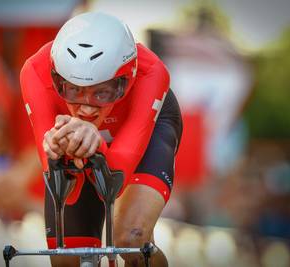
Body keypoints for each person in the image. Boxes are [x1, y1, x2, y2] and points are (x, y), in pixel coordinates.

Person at [21, 12, 182, 266]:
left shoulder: (152, 72)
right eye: (72, 90)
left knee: (130, 240)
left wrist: (96, 144)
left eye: (103, 93)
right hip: (82, 142)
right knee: (67, 260)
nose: (86, 108)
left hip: (147, 130)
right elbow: (66, 191)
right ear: (57, 78)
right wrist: (60, 150)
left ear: (126, 80)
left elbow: (116, 180)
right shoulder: (34, 71)